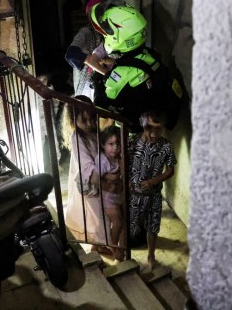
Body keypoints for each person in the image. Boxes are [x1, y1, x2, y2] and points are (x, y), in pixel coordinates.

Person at [87, 1, 183, 132]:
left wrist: (97, 81)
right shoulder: (149, 54)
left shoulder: (122, 75)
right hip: (154, 115)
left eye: (105, 34)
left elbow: (101, 106)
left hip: (137, 132)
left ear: (119, 38)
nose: (105, 37)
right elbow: (134, 66)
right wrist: (115, 64)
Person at [128, 110, 176, 271]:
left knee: (153, 227)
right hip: (134, 194)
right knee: (131, 224)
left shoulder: (166, 146)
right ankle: (125, 255)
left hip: (154, 195)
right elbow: (125, 162)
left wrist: (152, 182)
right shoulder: (133, 142)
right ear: (142, 124)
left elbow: (170, 170)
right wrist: (128, 180)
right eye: (149, 128)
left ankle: (151, 255)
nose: (154, 133)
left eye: (158, 128)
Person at [62, 95, 110, 249]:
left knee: (100, 216)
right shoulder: (77, 137)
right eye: (84, 120)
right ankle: (106, 247)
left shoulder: (94, 132)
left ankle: (99, 246)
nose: (89, 124)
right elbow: (88, 168)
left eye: (92, 119)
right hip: (90, 183)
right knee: (99, 216)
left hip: (99, 179)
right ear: (73, 120)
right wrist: (108, 181)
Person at [94, 125, 125, 261]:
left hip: (118, 196)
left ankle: (114, 246)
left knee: (121, 223)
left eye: (118, 143)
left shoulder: (119, 157)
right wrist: (109, 178)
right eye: (111, 144)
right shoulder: (102, 160)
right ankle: (113, 247)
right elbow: (95, 178)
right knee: (117, 223)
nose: (115, 147)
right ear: (103, 145)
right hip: (107, 198)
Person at [64, 0, 105, 99]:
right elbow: (71, 54)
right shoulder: (86, 32)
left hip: (104, 81)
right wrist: (91, 61)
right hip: (87, 82)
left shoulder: (108, 31)